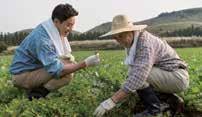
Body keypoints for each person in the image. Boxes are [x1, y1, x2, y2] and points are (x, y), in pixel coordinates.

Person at [93, 14, 189, 117]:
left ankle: (154, 110)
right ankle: (171, 101)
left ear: (130, 31)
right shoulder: (135, 41)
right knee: (134, 76)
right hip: (169, 75)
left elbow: (138, 76)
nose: (119, 40)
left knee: (137, 76)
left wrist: (111, 101)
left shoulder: (144, 44)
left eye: (121, 36)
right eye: (115, 37)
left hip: (178, 77)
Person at [9, 3, 100, 100]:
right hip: (22, 76)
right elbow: (58, 70)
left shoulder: (51, 30)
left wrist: (74, 64)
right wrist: (85, 63)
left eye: (72, 25)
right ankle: (36, 94)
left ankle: (37, 89)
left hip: (33, 70)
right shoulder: (43, 40)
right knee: (67, 73)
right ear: (56, 22)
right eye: (68, 25)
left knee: (68, 61)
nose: (71, 29)